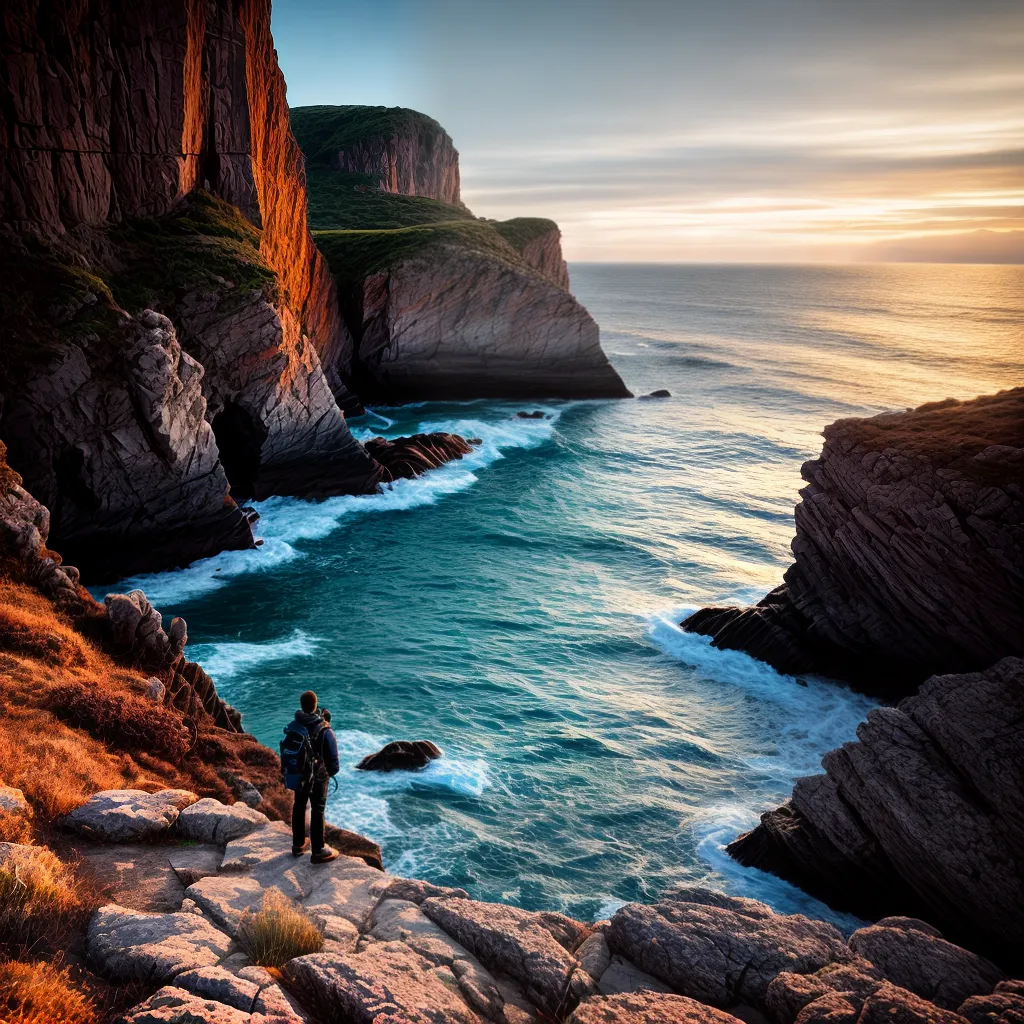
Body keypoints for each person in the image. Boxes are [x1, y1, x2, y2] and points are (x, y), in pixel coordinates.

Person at [281, 690, 340, 863]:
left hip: (299, 774)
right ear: (315, 705)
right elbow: (334, 766)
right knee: (318, 809)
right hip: (318, 778)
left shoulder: (294, 725)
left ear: (302, 706)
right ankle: (318, 850)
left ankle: (298, 845)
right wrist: (327, 771)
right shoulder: (324, 730)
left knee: (299, 805)